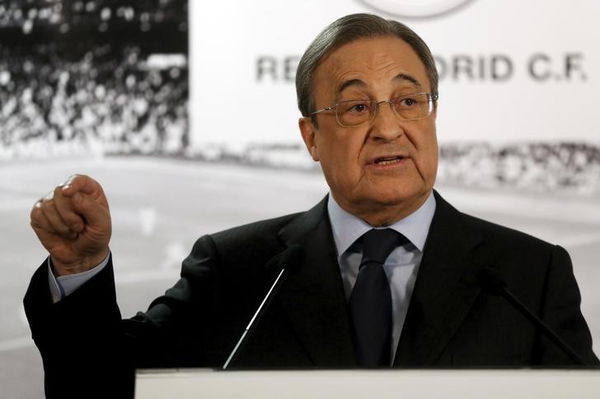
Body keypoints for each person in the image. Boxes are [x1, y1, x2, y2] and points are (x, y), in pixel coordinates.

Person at [25, 13, 598, 399]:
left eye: (407, 100)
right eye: (355, 108)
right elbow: (97, 385)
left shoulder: (529, 273)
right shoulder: (236, 268)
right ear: (311, 137)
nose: (387, 128)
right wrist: (79, 271)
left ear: (432, 114)